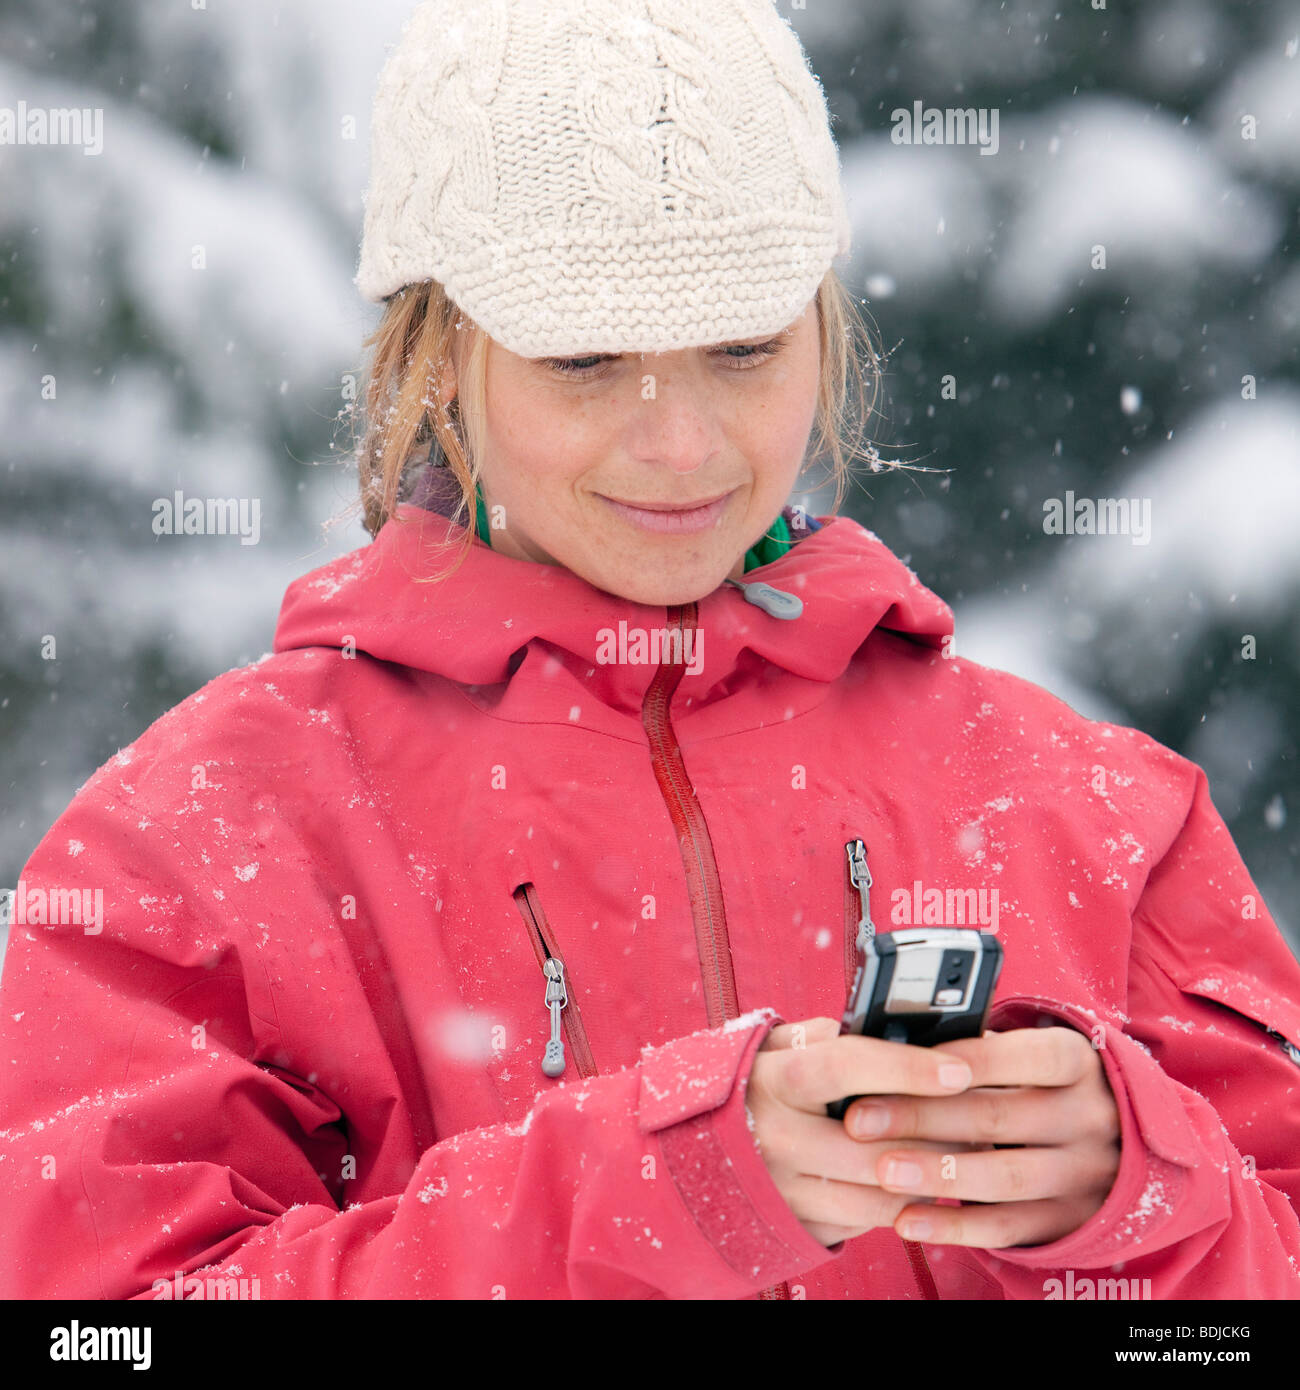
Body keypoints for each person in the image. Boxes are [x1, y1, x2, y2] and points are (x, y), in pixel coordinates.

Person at [2, 0, 1298, 1302]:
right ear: (438, 354)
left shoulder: (1098, 810)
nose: (679, 443)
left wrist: (1148, 1203)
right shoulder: (196, 842)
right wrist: (664, 1191)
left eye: (743, 346)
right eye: (584, 356)